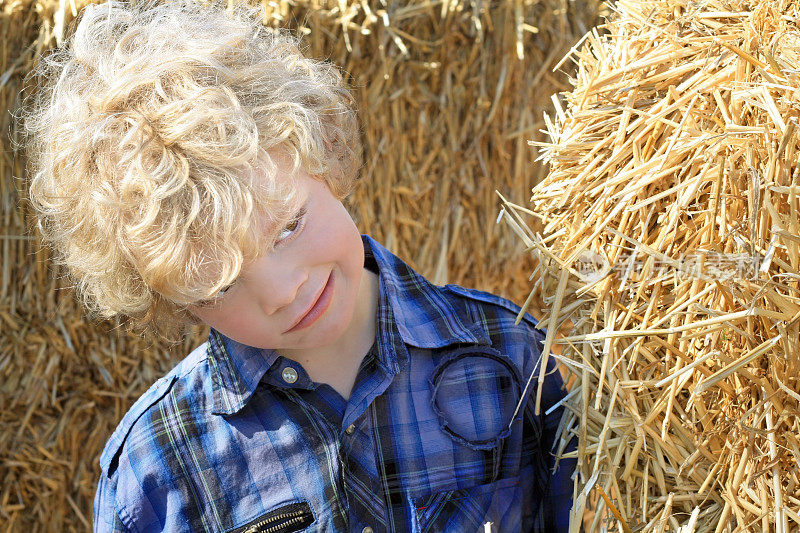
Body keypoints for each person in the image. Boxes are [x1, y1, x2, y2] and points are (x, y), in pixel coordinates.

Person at [19, 0, 576, 530]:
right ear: (169, 301)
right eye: (220, 285)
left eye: (288, 225)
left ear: (324, 156)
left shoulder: (510, 356)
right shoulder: (158, 468)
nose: (282, 290)